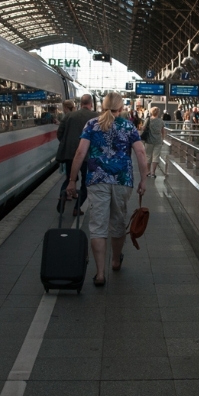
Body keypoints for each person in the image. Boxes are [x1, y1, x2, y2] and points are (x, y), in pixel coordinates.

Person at [66, 92, 148, 286]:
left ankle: (100, 274)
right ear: (121, 108)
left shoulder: (92, 125)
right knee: (118, 222)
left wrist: (72, 180)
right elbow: (140, 152)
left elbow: (80, 152)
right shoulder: (128, 126)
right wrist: (144, 179)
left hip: (97, 179)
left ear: (102, 106)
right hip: (122, 180)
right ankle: (115, 261)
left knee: (98, 226)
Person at [56, 94, 98, 215]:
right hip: (87, 155)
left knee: (70, 178)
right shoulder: (96, 117)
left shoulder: (69, 115)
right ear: (91, 104)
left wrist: (66, 144)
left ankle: (63, 195)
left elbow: (60, 133)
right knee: (86, 182)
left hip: (70, 154)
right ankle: (77, 208)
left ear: (80, 103)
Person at [144, 106, 166, 178]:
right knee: (156, 156)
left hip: (149, 140)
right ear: (158, 113)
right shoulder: (161, 121)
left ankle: (148, 171)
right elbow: (163, 132)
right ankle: (153, 172)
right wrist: (162, 139)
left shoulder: (148, 120)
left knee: (148, 156)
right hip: (158, 141)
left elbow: (143, 128)